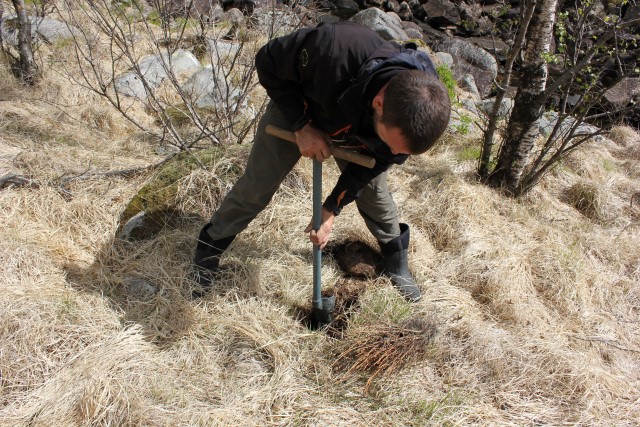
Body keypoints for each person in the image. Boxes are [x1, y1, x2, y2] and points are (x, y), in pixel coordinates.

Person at [192, 22, 451, 300]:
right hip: (300, 108)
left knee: (376, 196)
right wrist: (302, 126)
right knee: (258, 185)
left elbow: (376, 163)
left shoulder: (422, 107)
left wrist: (331, 209)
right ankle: (208, 252)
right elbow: (267, 60)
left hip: (359, 131)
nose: (390, 152)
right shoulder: (332, 47)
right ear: (379, 102)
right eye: (390, 144)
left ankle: (397, 263)